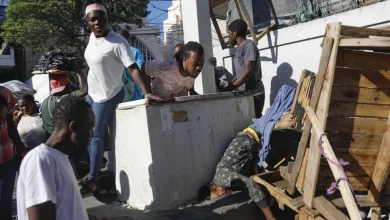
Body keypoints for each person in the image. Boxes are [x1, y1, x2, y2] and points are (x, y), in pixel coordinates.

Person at [82, 0, 161, 193]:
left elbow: (133, 69)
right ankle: (93, 168)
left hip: (108, 95)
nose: (97, 24)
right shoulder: (92, 38)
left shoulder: (118, 42)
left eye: (101, 19)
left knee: (97, 136)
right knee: (88, 134)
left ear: (107, 18)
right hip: (93, 93)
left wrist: (147, 92)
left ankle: (93, 177)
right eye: (93, 20)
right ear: (88, 22)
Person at [17, 96, 95, 220]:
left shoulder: (60, 158)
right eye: (89, 128)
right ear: (73, 127)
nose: (92, 134)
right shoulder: (41, 160)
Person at [210, 125, 276, 220]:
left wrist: (270, 217)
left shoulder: (222, 178)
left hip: (251, 134)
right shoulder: (225, 180)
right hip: (251, 142)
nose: (224, 196)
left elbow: (251, 185)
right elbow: (251, 180)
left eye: (221, 195)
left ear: (214, 187)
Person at [222, 19, 265, 118]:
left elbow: (248, 73)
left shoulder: (249, 46)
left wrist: (231, 87)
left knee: (255, 122)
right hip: (244, 94)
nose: (228, 37)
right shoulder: (238, 49)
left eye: (229, 33)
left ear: (235, 33)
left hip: (254, 94)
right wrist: (229, 84)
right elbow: (240, 75)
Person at [0, 86, 28, 220]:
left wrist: (21, 147)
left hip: (7, 159)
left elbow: (10, 124)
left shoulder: (5, 94)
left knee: (6, 200)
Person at [117, 29, 145, 102]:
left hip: (121, 96)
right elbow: (142, 69)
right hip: (134, 95)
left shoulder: (114, 53)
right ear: (128, 39)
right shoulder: (135, 52)